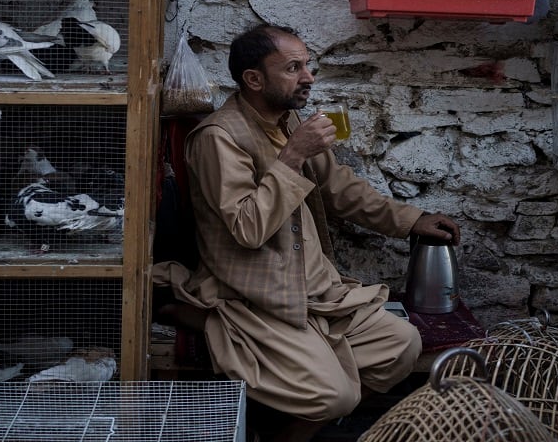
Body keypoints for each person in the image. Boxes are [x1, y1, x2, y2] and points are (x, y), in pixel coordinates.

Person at [156, 24, 461, 442]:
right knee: (334, 397)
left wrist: (411, 219)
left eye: (308, 65)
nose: (309, 77)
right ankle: (219, 328)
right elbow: (248, 228)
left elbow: (339, 188)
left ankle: (287, 426)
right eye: (294, 67)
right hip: (259, 298)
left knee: (402, 345)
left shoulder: (288, 120)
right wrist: (294, 154)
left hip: (317, 293)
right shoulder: (218, 137)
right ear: (254, 79)